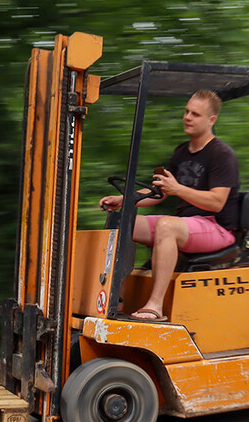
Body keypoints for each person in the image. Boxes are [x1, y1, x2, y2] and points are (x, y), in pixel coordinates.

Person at [99, 89, 240, 321]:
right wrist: (124, 200)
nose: (187, 117)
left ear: (211, 120)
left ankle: (155, 306)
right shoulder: (181, 152)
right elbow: (160, 191)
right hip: (188, 225)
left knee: (166, 225)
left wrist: (178, 190)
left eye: (195, 114)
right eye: (186, 111)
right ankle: (116, 300)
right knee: (124, 222)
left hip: (217, 227)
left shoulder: (222, 154)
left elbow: (217, 202)